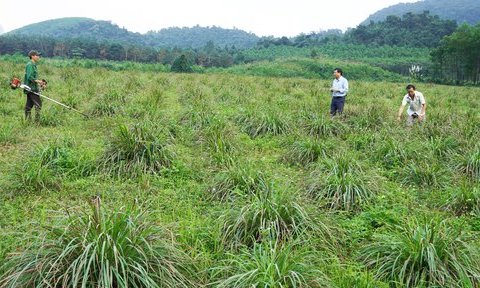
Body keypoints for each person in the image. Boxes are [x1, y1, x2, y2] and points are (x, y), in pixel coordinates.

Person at [24, 50, 44, 122]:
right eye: (37, 55)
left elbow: (33, 78)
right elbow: (30, 77)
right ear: (32, 56)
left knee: (29, 105)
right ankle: (37, 122)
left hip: (33, 87)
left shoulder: (33, 64)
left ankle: (27, 121)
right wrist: (39, 81)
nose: (38, 57)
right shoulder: (30, 65)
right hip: (31, 88)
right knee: (38, 104)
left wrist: (39, 83)